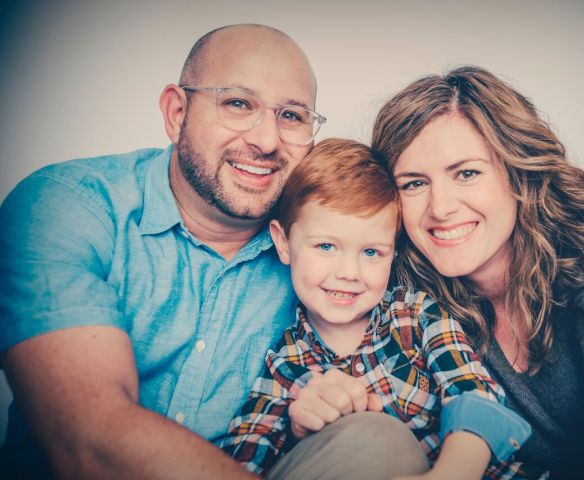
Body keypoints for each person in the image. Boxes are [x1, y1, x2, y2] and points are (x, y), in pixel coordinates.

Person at [0, 24, 412, 480]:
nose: (267, 141)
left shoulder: (323, 246)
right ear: (177, 112)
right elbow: (90, 438)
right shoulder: (69, 205)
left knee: (376, 440)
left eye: (292, 115)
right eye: (238, 103)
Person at [287, 66, 584, 479]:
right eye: (414, 183)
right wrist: (317, 410)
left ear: (517, 174)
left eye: (467, 173)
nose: (441, 208)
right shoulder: (398, 294)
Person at [217, 138, 532, 479]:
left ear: (393, 253)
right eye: (326, 246)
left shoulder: (416, 316)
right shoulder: (285, 365)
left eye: (371, 252)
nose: (349, 273)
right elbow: (243, 457)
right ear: (283, 243)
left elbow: (475, 394)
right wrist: (297, 434)